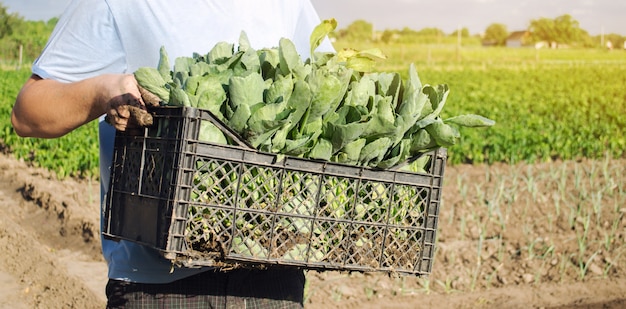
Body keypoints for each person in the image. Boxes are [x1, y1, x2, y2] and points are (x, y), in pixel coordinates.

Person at [11, 0, 334, 308]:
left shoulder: (289, 5)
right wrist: (104, 91)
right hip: (159, 283)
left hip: (272, 274)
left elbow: (328, 94)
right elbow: (29, 113)